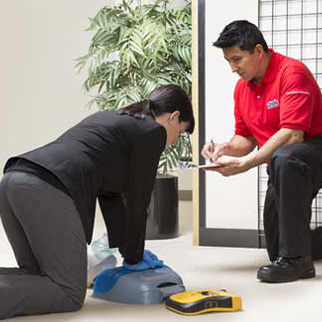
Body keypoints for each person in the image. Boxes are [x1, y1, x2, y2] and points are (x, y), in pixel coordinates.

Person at [0, 84, 194, 319]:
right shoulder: (153, 131)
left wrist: (129, 252)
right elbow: (137, 202)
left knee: (36, 274)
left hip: (13, 180)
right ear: (174, 117)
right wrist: (134, 258)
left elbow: (111, 196)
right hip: (46, 189)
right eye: (180, 133)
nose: (173, 142)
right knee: (68, 291)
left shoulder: (116, 119)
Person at [202, 20, 322, 283]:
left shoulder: (292, 73)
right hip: (284, 162)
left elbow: (293, 135)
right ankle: (296, 251)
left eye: (237, 59)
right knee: (277, 248)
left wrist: (246, 164)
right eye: (228, 62)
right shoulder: (242, 88)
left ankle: (298, 262)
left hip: (314, 149)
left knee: (284, 157)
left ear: (258, 51)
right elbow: (245, 137)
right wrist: (224, 148)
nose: (233, 68)